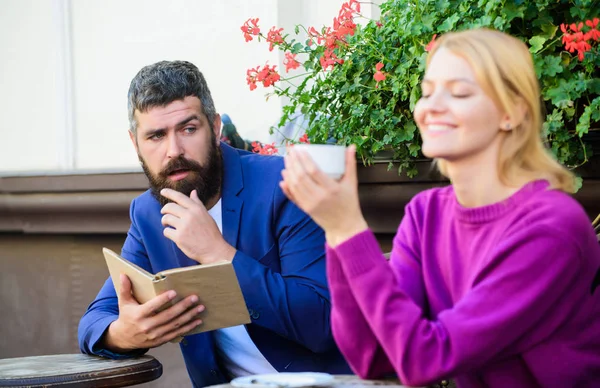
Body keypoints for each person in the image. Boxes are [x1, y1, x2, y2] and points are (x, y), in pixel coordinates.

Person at [280, 28, 600, 387]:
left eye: (459, 92)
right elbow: (373, 356)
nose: (430, 107)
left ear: (512, 113)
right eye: (427, 92)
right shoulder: (426, 214)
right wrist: (338, 234)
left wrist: (347, 229)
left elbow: (426, 358)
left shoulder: (550, 227)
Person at [78, 60, 350, 387]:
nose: (173, 151)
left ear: (216, 128)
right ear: (136, 144)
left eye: (189, 129)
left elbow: (322, 324)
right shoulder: (148, 214)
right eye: (155, 136)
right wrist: (123, 334)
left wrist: (219, 253)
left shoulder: (282, 187)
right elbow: (94, 322)